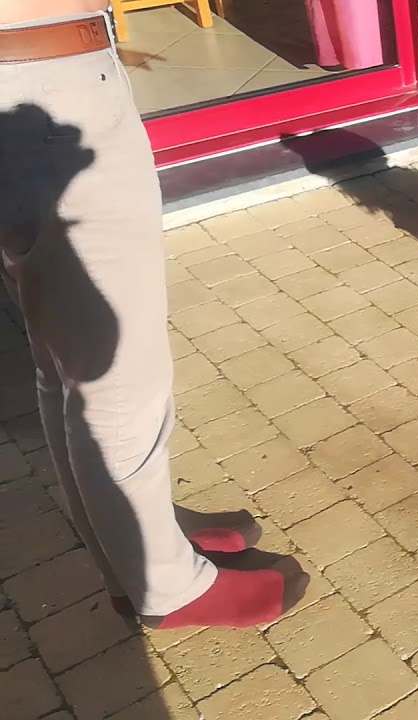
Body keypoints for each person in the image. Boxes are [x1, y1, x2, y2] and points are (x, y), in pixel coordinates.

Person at [0, 1, 307, 628]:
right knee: (116, 374)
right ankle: (166, 587)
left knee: (62, 360)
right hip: (43, 77)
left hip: (40, 72)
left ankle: (132, 549)